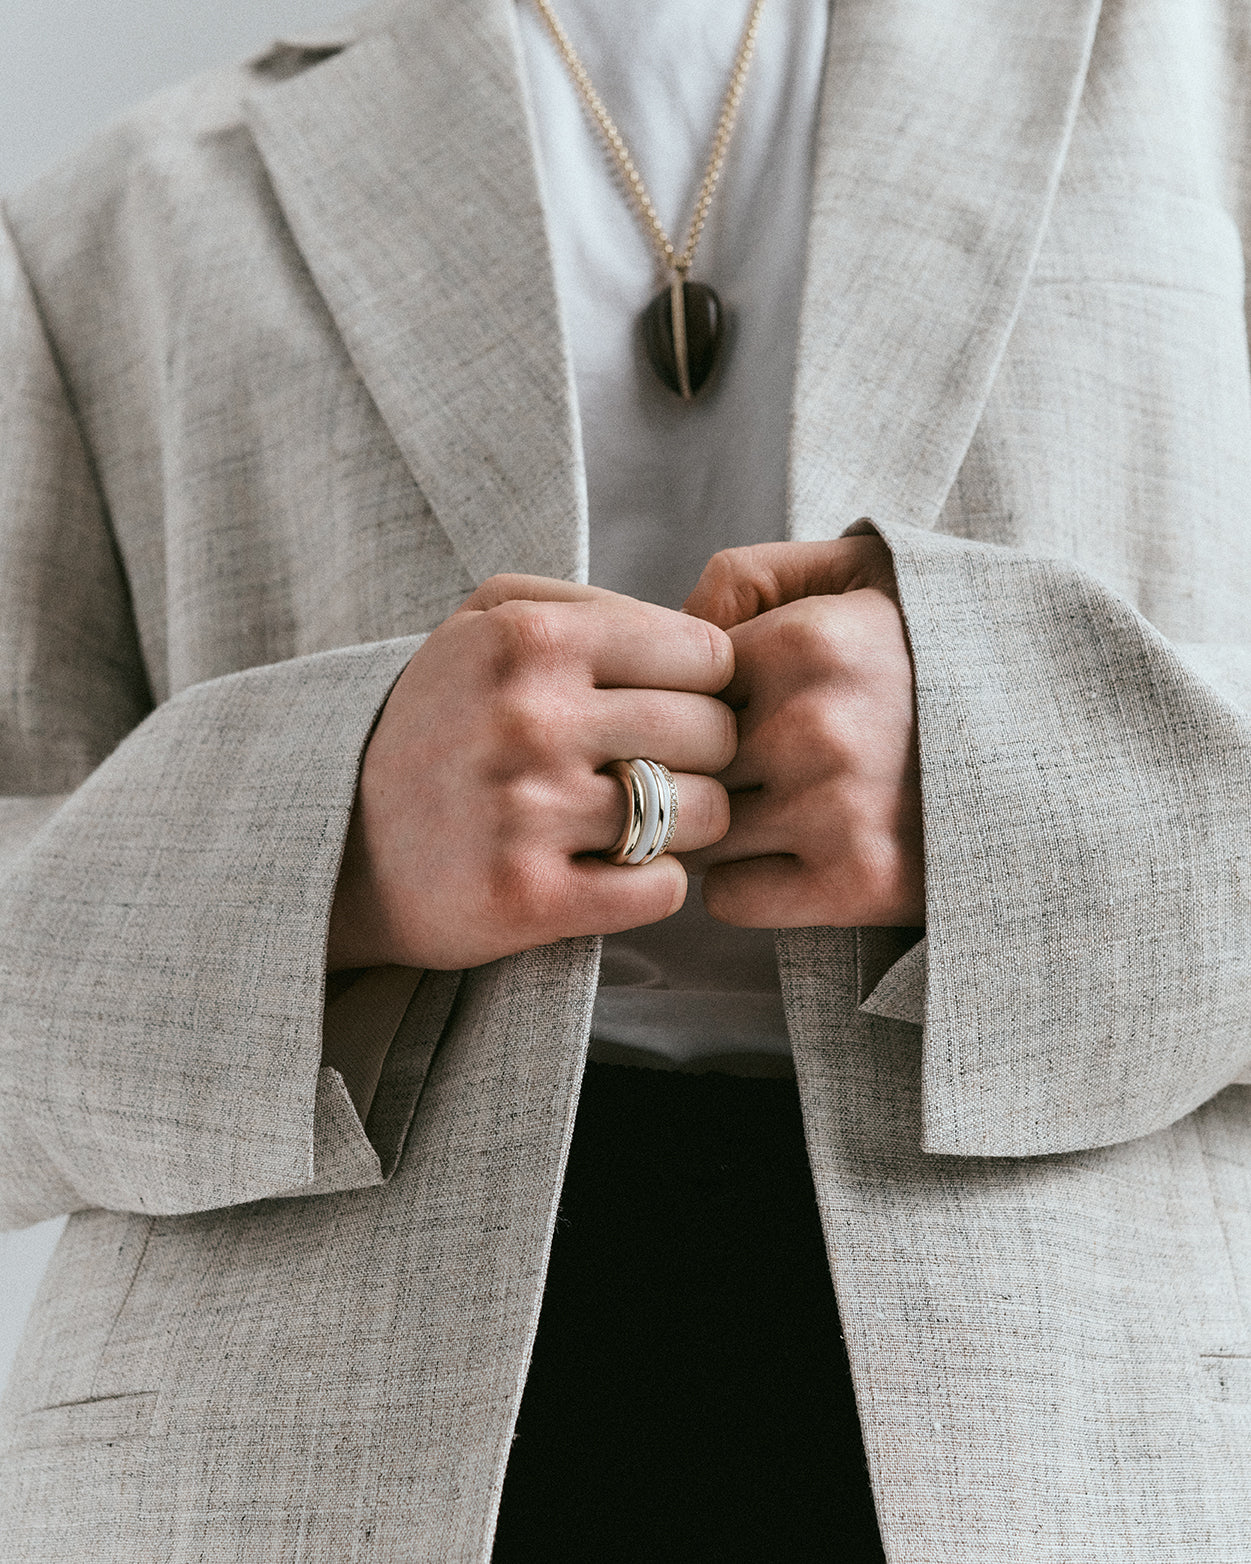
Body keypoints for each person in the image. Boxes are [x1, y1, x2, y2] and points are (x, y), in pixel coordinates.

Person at [1, 0, 1249, 1558]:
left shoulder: (1210, 82)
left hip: (1088, 1410)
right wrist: (326, 842)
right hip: (294, 1445)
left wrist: (1039, 788)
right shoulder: (118, 212)